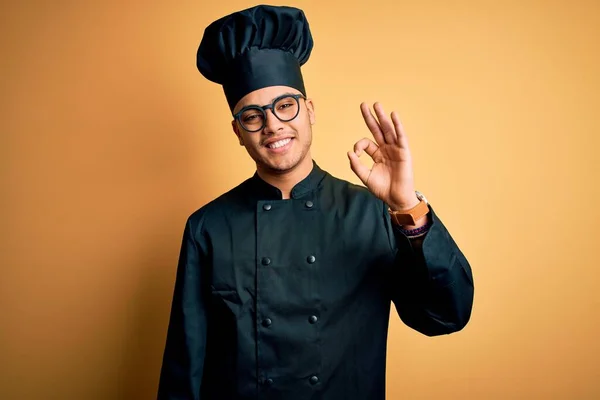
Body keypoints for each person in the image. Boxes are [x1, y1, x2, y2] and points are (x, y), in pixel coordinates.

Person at [157, 5, 474, 400]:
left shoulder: (373, 213)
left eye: (285, 105)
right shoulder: (207, 227)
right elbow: (185, 366)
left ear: (309, 110)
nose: (272, 124)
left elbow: (445, 315)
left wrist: (406, 204)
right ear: (238, 131)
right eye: (252, 116)